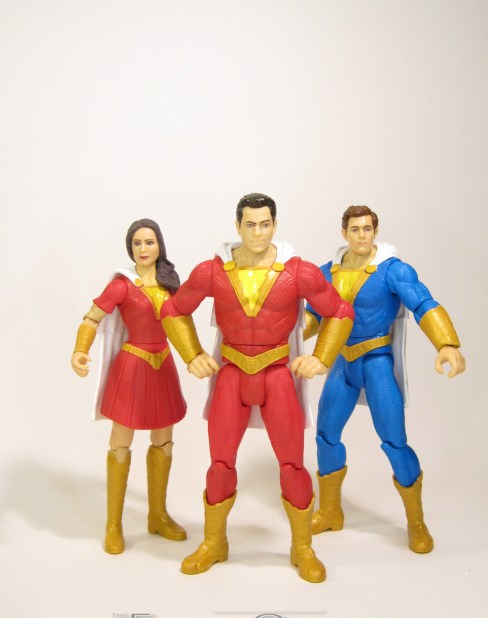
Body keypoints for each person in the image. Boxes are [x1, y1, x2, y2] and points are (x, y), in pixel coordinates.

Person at [161, 193, 354, 582]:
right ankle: (214, 542)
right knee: (220, 465)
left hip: (277, 373)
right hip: (232, 373)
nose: (258, 232)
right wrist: (191, 353)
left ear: (275, 226)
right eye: (250, 224)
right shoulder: (213, 271)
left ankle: (302, 547)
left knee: (293, 465)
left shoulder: (298, 272)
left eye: (265, 224)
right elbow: (173, 309)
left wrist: (322, 357)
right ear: (237, 226)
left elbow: (340, 311)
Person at [305, 205, 466, 553]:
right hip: (342, 364)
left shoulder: (393, 270)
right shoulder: (326, 273)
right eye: (355, 229)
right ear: (344, 232)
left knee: (394, 441)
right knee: (326, 435)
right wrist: (277, 338)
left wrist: (446, 343)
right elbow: (312, 316)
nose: (361, 235)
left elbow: (423, 304)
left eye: (367, 229)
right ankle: (330, 510)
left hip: (377, 362)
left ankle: (416, 521)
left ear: (375, 232)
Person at [71, 219, 187, 554]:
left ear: (159, 245)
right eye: (137, 243)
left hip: (162, 365)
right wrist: (80, 350)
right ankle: (113, 524)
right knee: (121, 442)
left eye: (149, 242)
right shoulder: (122, 285)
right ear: (130, 248)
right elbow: (92, 318)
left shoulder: (169, 283)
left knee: (163, 440)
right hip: (132, 365)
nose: (143, 249)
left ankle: (157, 514)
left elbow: (184, 323)